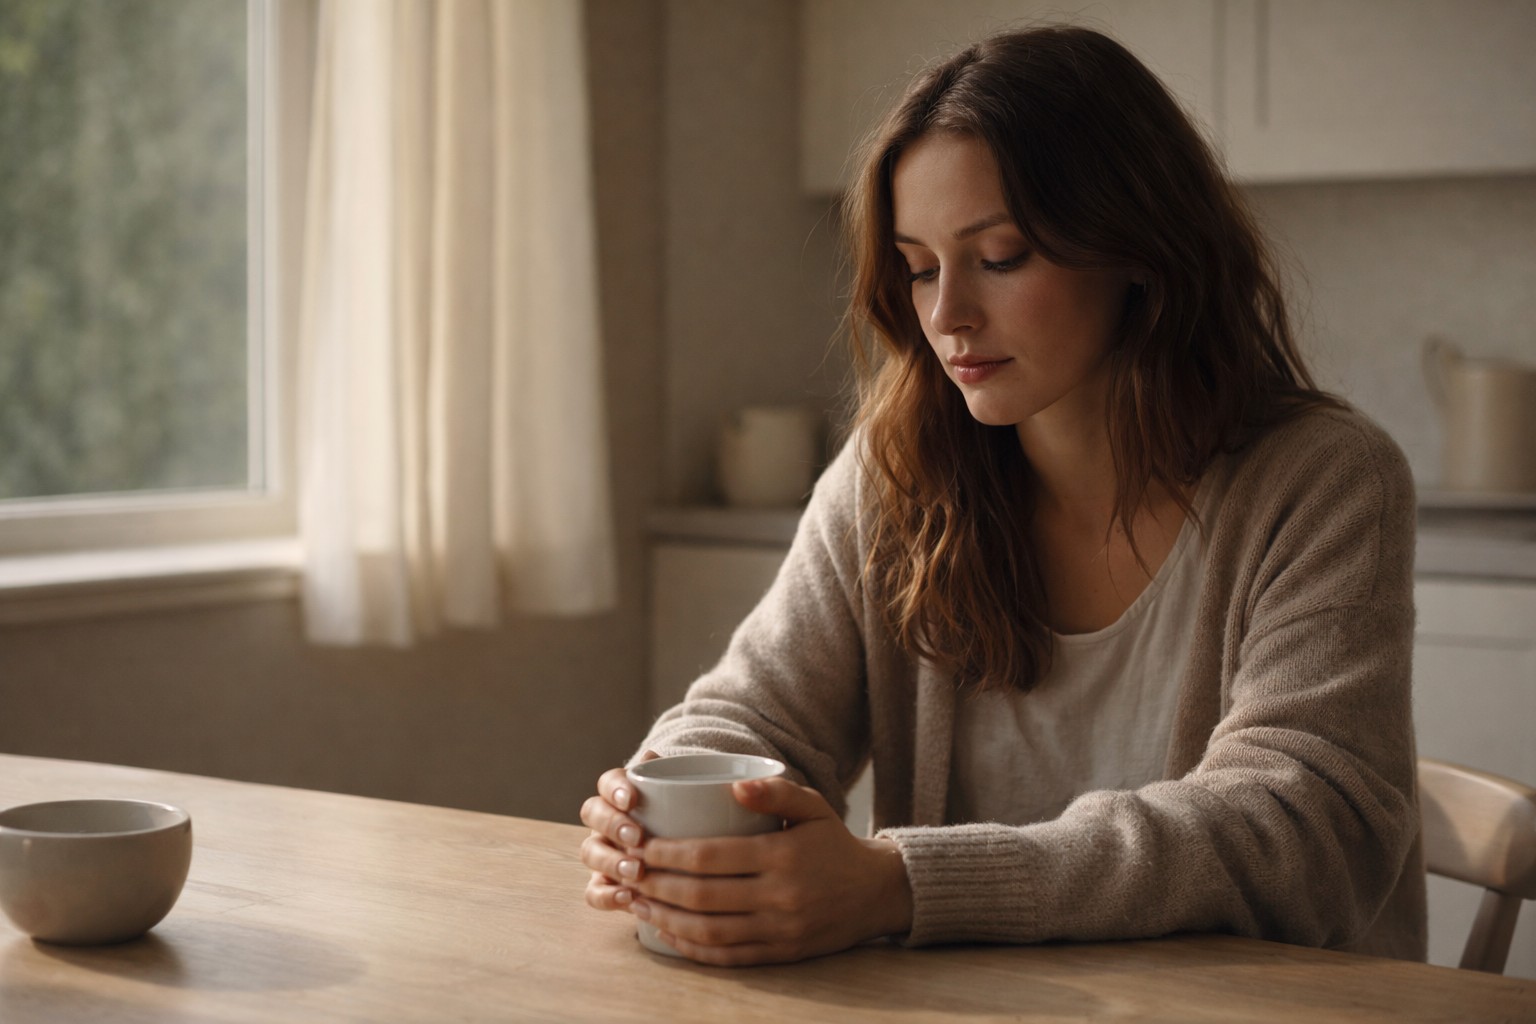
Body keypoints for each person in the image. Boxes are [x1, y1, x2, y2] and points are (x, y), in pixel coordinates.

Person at [579, 25, 1425, 966]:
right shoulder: (894, 472)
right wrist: (655, 799)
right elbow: (751, 715)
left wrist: (901, 883)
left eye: (1003, 255)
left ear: (1139, 249)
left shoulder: (1323, 480)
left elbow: (1301, 820)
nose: (946, 317)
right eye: (919, 266)